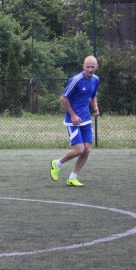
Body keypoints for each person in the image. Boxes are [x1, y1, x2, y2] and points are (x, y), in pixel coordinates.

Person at [50, 55, 100, 187]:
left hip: (86, 119)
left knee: (87, 150)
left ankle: (72, 178)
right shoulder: (76, 80)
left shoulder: (96, 79)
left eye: (92, 67)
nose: (90, 69)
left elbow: (93, 96)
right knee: (79, 150)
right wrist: (73, 115)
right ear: (83, 66)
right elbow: (63, 98)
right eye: (87, 67)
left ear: (97, 67)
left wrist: (95, 108)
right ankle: (57, 163)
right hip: (73, 120)